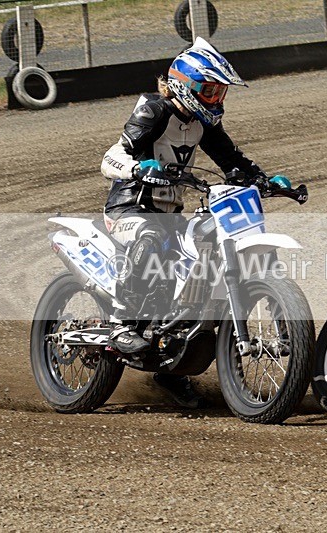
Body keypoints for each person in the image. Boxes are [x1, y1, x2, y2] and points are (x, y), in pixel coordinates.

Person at [99, 37, 269, 406]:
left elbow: (234, 162)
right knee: (150, 239)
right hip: (130, 210)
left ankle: (171, 364)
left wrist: (267, 181)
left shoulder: (202, 124)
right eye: (209, 90)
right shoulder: (154, 112)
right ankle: (121, 325)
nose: (216, 99)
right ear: (185, 83)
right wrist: (137, 167)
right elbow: (111, 157)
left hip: (171, 217)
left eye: (220, 91)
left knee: (203, 259)